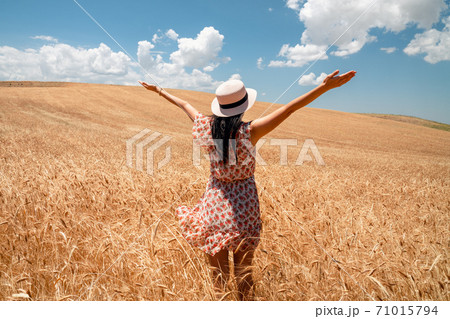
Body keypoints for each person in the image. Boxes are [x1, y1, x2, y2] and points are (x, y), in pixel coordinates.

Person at [139, 69, 356, 300]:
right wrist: (324, 87)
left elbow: (184, 104)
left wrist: (159, 90)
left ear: (219, 107)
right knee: (244, 280)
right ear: (243, 106)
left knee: (219, 284)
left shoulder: (204, 125)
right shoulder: (250, 131)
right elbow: (289, 108)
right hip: (244, 209)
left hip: (213, 206)